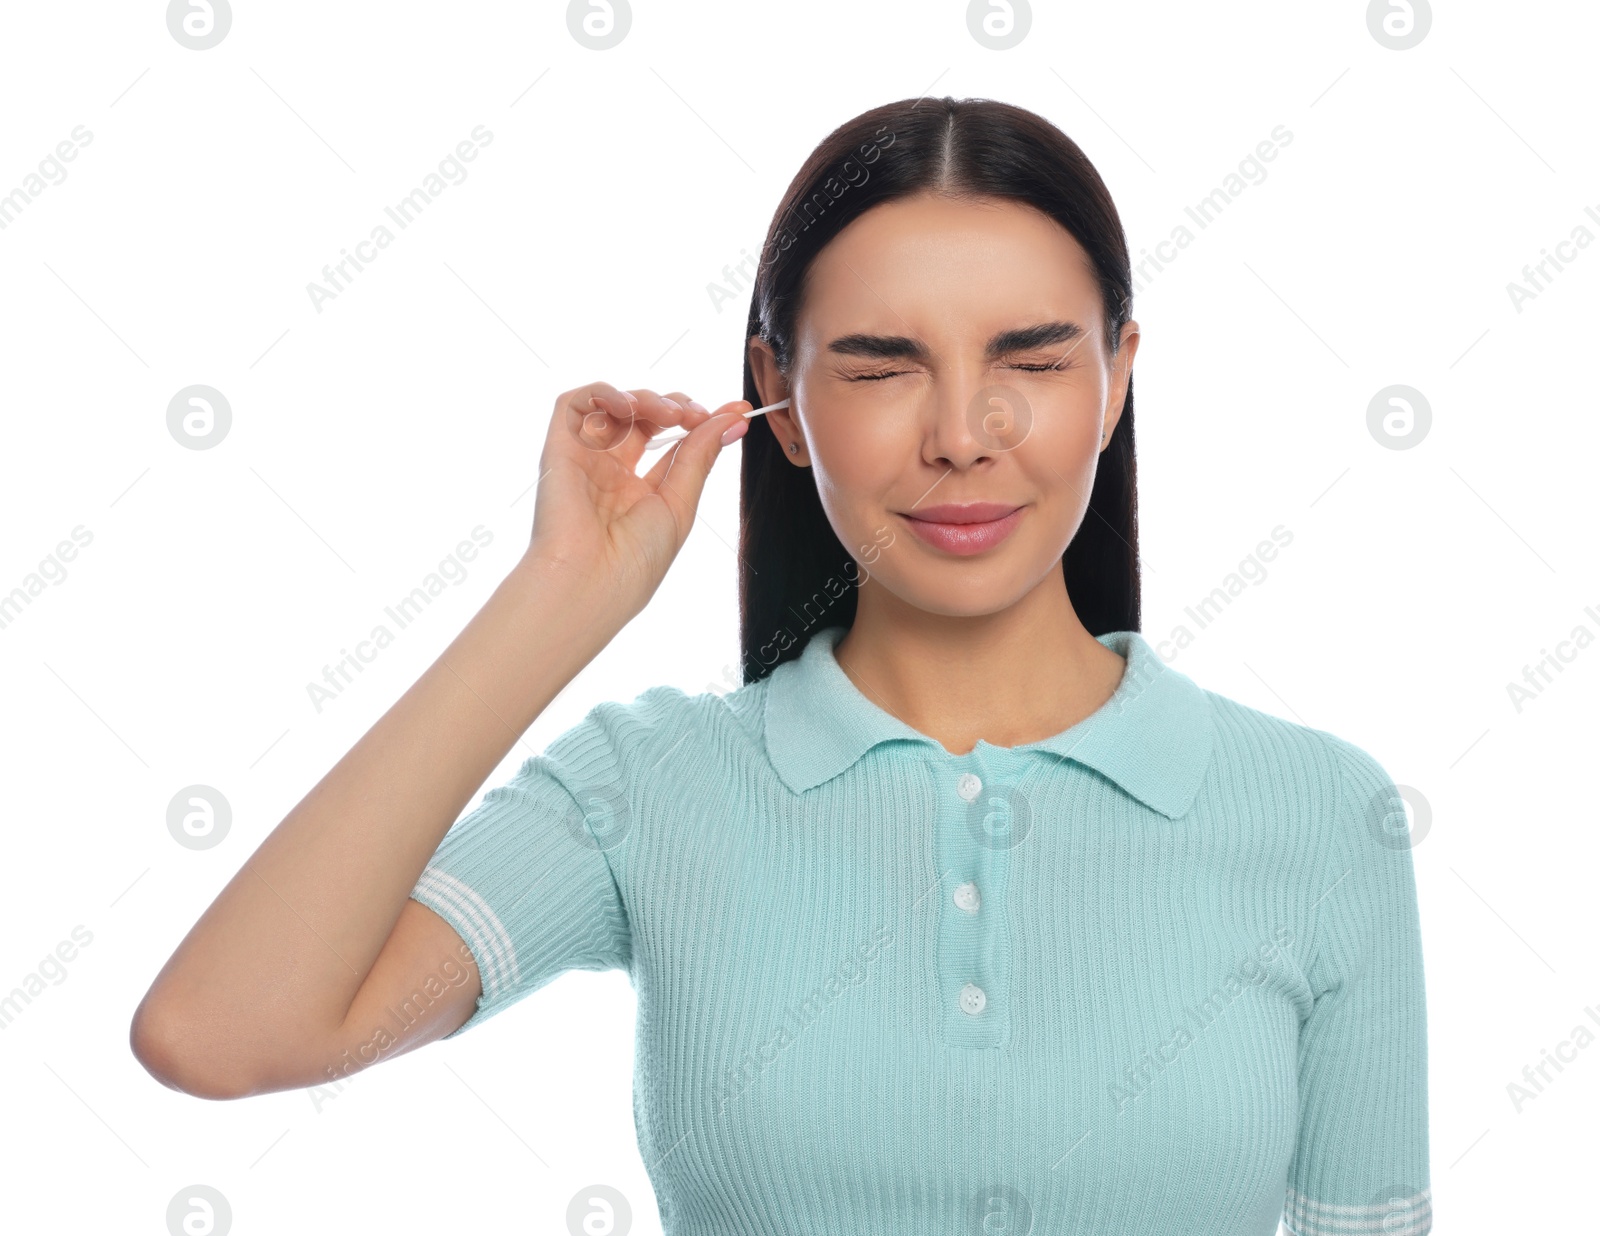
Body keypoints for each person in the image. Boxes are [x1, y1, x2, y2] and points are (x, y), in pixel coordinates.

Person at [130, 96, 1430, 1236]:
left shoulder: (1318, 818)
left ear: (1115, 378)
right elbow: (223, 1032)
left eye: (1030, 361)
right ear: (781, 397)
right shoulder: (651, 790)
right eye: (881, 366)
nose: (964, 435)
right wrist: (560, 598)